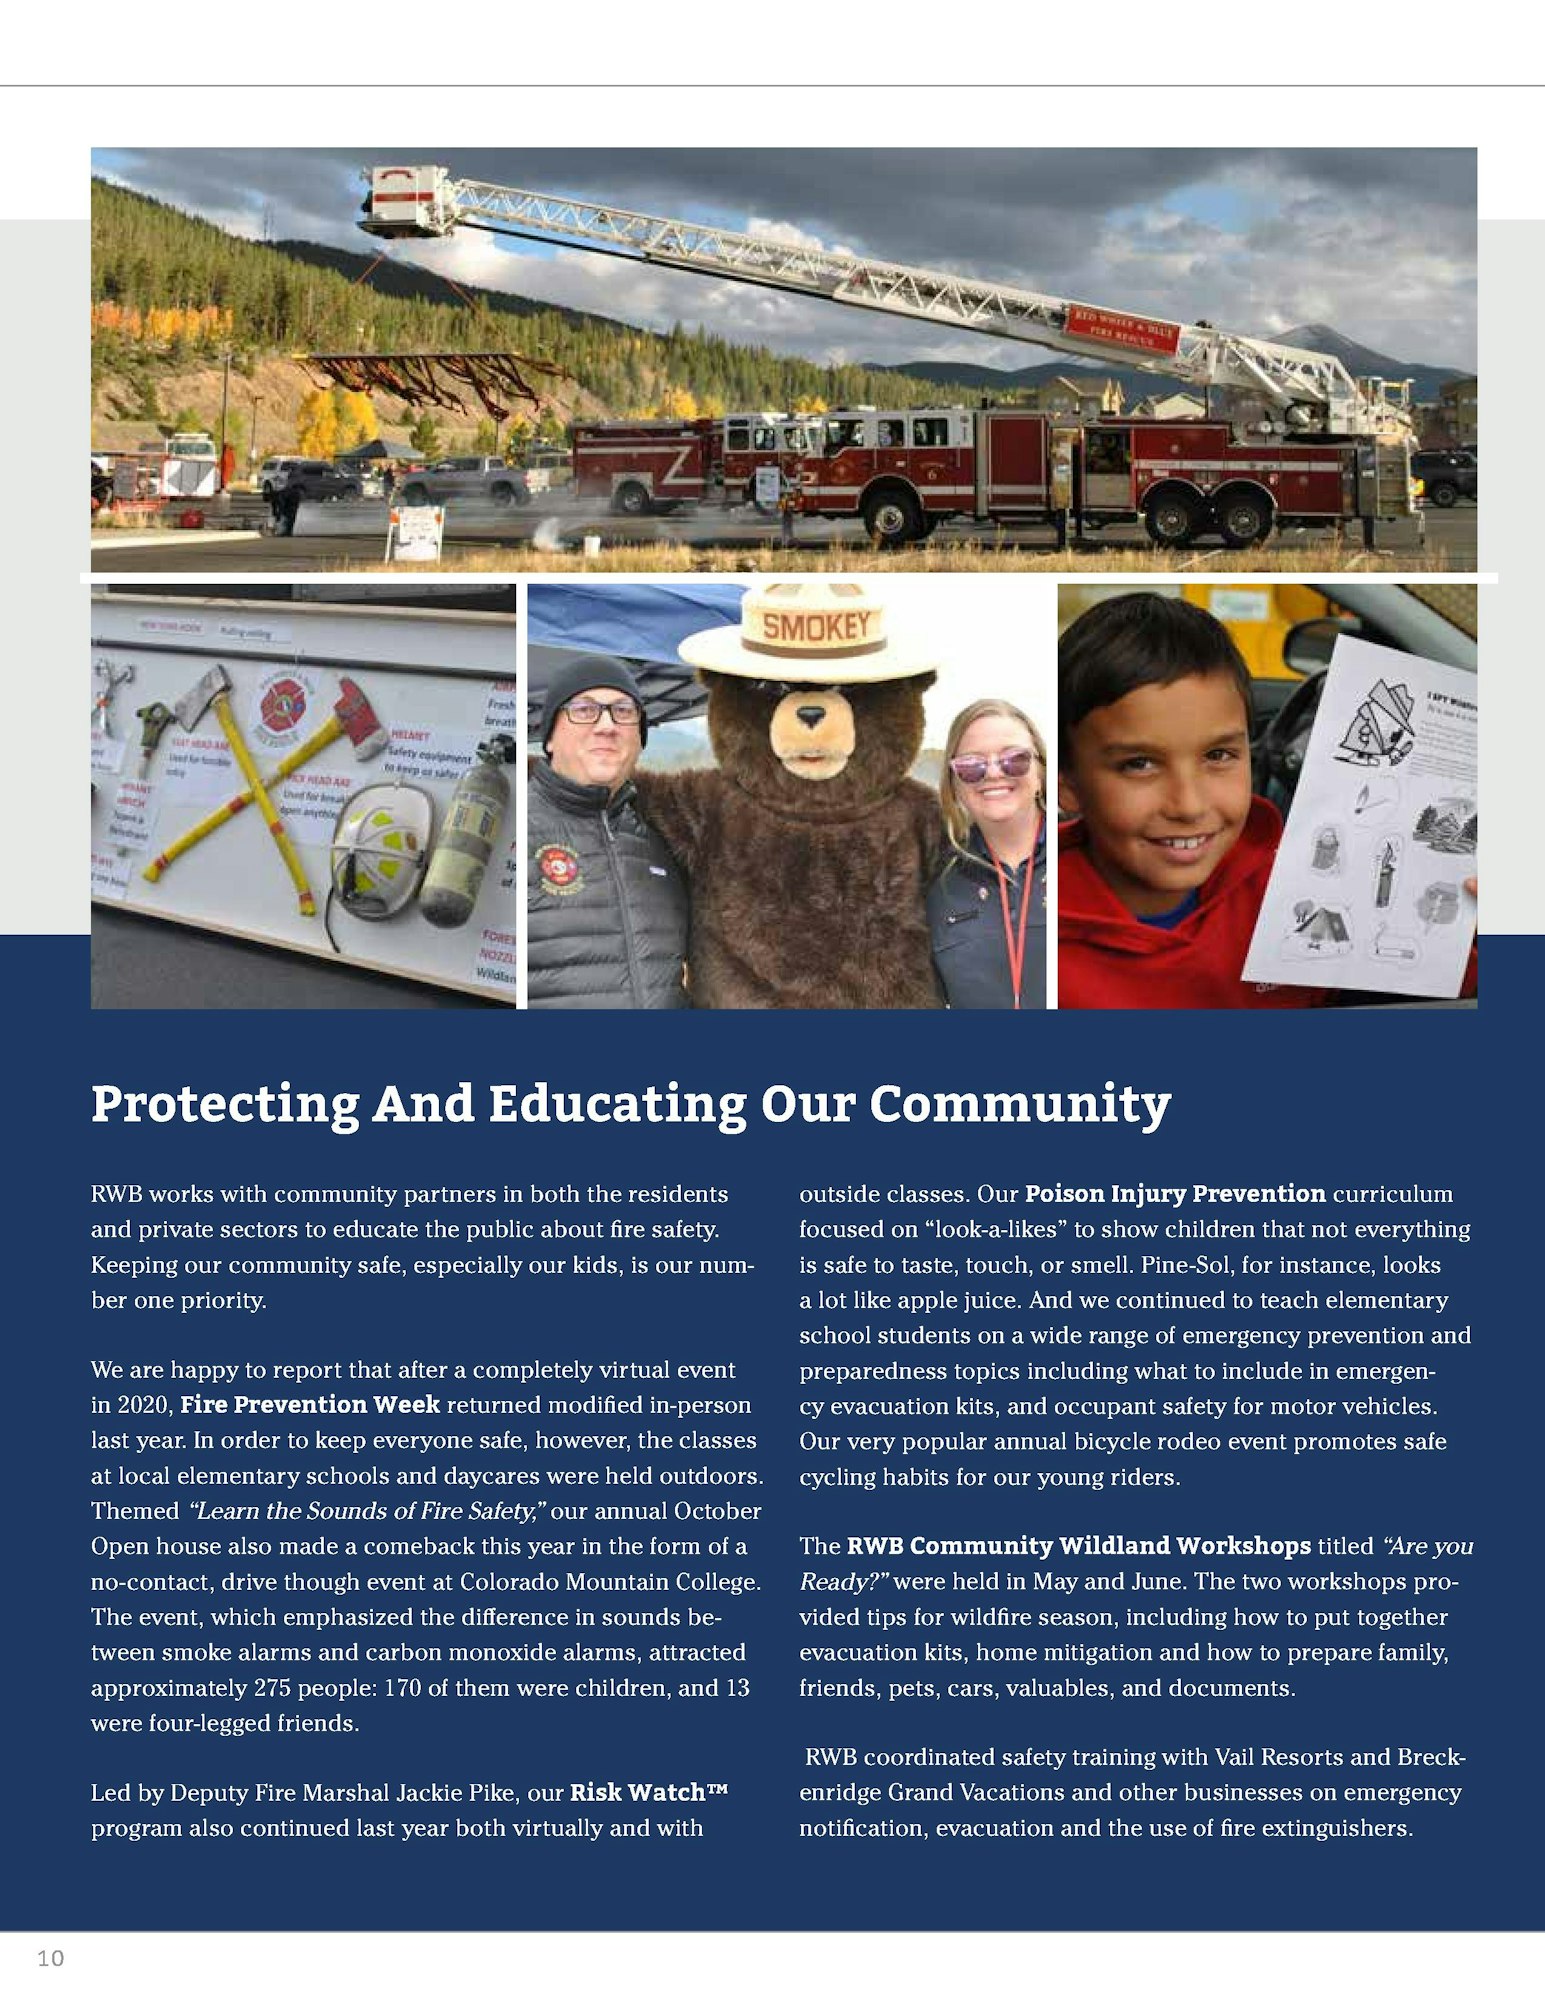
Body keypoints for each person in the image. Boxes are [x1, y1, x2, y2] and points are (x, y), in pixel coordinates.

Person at [1056, 593, 1476, 1008]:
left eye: (1218, 755)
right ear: (1065, 783)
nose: (1189, 806)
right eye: (1139, 764)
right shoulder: (1031, 938)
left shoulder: (1293, 888)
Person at [527, 657, 689, 1009]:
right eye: (584, 710)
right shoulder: (517, 829)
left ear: (640, 739)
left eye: (623, 711)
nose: (606, 725)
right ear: (549, 737)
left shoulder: (661, 843)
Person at [928, 699, 1048, 1009]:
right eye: (971, 765)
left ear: (1040, 772)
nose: (993, 773)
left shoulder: (1084, 857)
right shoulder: (935, 880)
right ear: (954, 785)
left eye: (1015, 759)